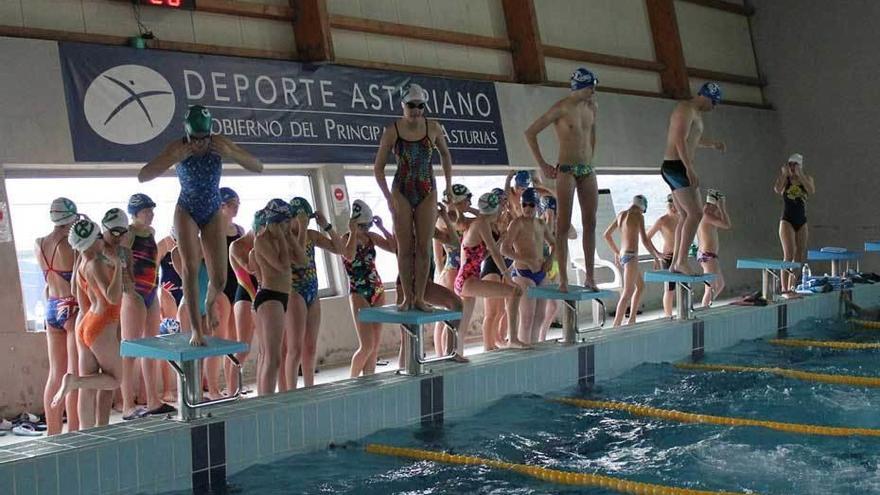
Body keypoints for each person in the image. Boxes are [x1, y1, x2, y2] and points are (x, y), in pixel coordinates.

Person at [138, 105, 263, 346]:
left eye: (204, 138)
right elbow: (144, 175)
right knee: (190, 270)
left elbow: (258, 166)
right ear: (186, 134)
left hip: (212, 210)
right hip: (186, 209)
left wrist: (231, 153)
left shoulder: (218, 143)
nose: (200, 144)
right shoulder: (178, 147)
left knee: (219, 279)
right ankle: (196, 329)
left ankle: (209, 302)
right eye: (195, 139)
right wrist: (173, 158)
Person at [373, 83, 453, 311]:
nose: (416, 110)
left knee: (424, 247)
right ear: (402, 105)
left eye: (420, 106)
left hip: (427, 190)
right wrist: (387, 197)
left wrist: (448, 184)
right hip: (402, 190)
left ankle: (419, 297)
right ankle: (407, 297)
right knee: (405, 247)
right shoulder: (392, 131)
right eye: (411, 105)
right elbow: (378, 168)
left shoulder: (433, 127)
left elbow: (446, 155)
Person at [525, 68, 600, 291]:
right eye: (591, 87)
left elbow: (592, 134)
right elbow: (530, 132)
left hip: (587, 169)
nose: (594, 91)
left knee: (591, 223)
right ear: (581, 87)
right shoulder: (561, 107)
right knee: (563, 225)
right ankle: (564, 279)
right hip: (566, 169)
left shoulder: (592, 107)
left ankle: (590, 277)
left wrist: (590, 158)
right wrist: (543, 165)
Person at [52, 219, 125, 430]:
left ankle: (87, 431)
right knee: (115, 380)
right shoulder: (95, 263)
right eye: (99, 237)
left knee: (91, 385)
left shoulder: (82, 264)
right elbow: (112, 297)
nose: (102, 240)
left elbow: (77, 293)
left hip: (86, 324)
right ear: (92, 241)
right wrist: (118, 267)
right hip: (102, 324)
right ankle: (74, 382)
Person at [660, 81, 726, 275]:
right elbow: (679, 139)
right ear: (706, 96)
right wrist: (689, 168)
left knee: (685, 216)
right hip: (677, 166)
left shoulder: (694, 113)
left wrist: (713, 144)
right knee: (696, 214)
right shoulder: (685, 108)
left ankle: (675, 264)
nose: (713, 108)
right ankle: (680, 261)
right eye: (713, 103)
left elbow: (692, 139)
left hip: (676, 166)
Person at [121, 194, 174, 417]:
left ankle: (153, 399)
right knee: (130, 350)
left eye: (152, 210)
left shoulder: (151, 233)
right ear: (135, 213)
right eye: (146, 211)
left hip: (151, 291)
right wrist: (129, 291)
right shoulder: (128, 235)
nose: (151, 214)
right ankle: (127, 405)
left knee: (152, 347)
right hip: (135, 294)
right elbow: (122, 265)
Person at [456, 193, 526, 353]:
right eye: (499, 210)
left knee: (462, 326)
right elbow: (495, 252)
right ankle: (513, 339)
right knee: (515, 291)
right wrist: (509, 277)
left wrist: (499, 241)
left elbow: (483, 254)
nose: (501, 213)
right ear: (494, 210)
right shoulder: (481, 223)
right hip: (467, 280)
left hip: (466, 279)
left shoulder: (478, 223)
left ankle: (456, 354)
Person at [286, 197, 343, 389]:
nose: (305, 223)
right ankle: (292, 392)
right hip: (294, 292)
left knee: (310, 347)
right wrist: (301, 228)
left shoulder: (311, 234)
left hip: (312, 291)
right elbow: (300, 258)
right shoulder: (285, 238)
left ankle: (309, 389)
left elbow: (340, 249)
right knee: (295, 349)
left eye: (307, 220)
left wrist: (326, 225)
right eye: (301, 219)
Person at [37, 197, 80, 435]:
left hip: (51, 306)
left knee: (56, 374)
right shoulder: (70, 245)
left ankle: (53, 431)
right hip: (71, 308)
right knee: (72, 375)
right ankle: (73, 430)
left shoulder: (39, 243)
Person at [252, 201, 302, 395]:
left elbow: (302, 260)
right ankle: (266, 401)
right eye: (283, 224)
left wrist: (289, 237)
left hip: (281, 297)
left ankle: (265, 399)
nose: (287, 227)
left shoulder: (283, 238)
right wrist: (282, 238)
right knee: (272, 358)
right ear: (273, 222)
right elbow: (281, 266)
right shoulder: (261, 240)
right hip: (269, 297)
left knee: (272, 357)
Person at [343, 200, 396, 377]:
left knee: (374, 346)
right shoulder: (345, 239)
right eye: (362, 226)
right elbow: (349, 256)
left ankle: (369, 382)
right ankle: (352, 382)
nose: (365, 229)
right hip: (358, 292)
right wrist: (352, 232)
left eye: (368, 225)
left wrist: (381, 228)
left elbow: (395, 248)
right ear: (354, 223)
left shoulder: (372, 237)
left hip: (377, 290)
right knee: (366, 345)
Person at [502, 188, 555, 344]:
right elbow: (504, 249)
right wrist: (526, 260)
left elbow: (554, 243)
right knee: (527, 318)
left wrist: (550, 259)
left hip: (541, 273)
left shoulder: (541, 224)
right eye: (524, 204)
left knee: (540, 317)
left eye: (531, 205)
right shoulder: (516, 223)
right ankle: (525, 349)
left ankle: (534, 349)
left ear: (537, 205)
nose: (527, 208)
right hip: (523, 274)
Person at [603, 195, 662, 327]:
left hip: (625, 255)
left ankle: (632, 318)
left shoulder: (621, 215)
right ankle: (616, 324)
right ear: (642, 207)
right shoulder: (638, 216)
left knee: (640, 286)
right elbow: (645, 240)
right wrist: (656, 255)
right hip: (631, 256)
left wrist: (617, 252)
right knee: (628, 292)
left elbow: (606, 235)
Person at [433, 186, 470, 356]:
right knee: (447, 316)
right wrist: (440, 272)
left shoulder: (454, 217)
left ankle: (446, 353)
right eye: (466, 200)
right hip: (451, 270)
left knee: (448, 316)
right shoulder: (445, 219)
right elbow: (437, 251)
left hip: (454, 269)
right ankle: (444, 354)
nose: (469, 203)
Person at [229, 208, 260, 394]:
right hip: (245, 297)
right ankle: (232, 391)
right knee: (242, 348)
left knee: (261, 347)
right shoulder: (237, 245)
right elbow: (250, 269)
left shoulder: (263, 244)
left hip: (260, 295)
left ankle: (239, 389)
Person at [774, 153, 815, 292]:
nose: (791, 167)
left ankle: (792, 286)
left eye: (794, 165)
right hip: (787, 220)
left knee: (799, 255)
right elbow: (777, 189)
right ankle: (784, 288)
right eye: (790, 164)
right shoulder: (786, 180)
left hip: (802, 221)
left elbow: (811, 190)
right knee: (788, 255)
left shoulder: (807, 179)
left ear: (800, 166)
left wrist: (801, 175)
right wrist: (784, 174)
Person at [646, 195, 680, 317]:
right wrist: (657, 254)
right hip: (668, 257)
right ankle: (668, 315)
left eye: (675, 205)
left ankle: (682, 312)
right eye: (670, 205)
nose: (672, 207)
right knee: (669, 289)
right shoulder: (662, 220)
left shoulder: (683, 219)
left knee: (683, 286)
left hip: (680, 256)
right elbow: (646, 237)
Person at [697, 190, 732, 306]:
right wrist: (722, 207)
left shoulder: (707, 212)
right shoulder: (707, 214)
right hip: (707, 256)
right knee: (710, 288)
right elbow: (727, 225)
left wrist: (720, 207)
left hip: (708, 255)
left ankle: (707, 305)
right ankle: (704, 310)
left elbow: (723, 221)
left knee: (720, 284)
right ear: (715, 204)